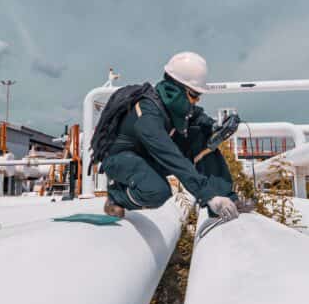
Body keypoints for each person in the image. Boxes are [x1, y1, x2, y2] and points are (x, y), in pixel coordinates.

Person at [101, 52, 243, 222]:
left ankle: (226, 200)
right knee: (157, 190)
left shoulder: (171, 105)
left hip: (147, 157)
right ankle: (116, 196)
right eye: (194, 95)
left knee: (204, 136)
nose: (196, 100)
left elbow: (196, 117)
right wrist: (208, 196)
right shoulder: (147, 114)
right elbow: (170, 156)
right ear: (177, 89)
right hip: (122, 160)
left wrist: (215, 127)